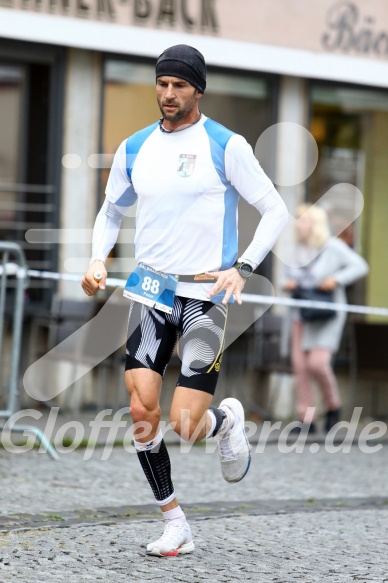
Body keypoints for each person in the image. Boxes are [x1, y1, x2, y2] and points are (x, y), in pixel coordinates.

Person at [82, 44, 288, 557]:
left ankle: (228, 421)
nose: (168, 94)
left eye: (179, 86)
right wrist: (96, 258)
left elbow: (275, 209)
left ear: (198, 89)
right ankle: (175, 522)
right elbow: (110, 212)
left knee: (186, 424)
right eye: (162, 84)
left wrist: (243, 266)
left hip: (204, 295)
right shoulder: (134, 148)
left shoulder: (226, 145)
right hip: (151, 290)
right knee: (140, 408)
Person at [283, 204, 368, 434]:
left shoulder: (333, 247)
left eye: (303, 220)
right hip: (301, 314)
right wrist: (288, 285)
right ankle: (307, 420)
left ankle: (333, 407)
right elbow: (285, 277)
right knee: (300, 367)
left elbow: (360, 266)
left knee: (317, 364)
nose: (298, 225)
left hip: (327, 314)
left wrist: (336, 279)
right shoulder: (295, 250)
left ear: (315, 224)